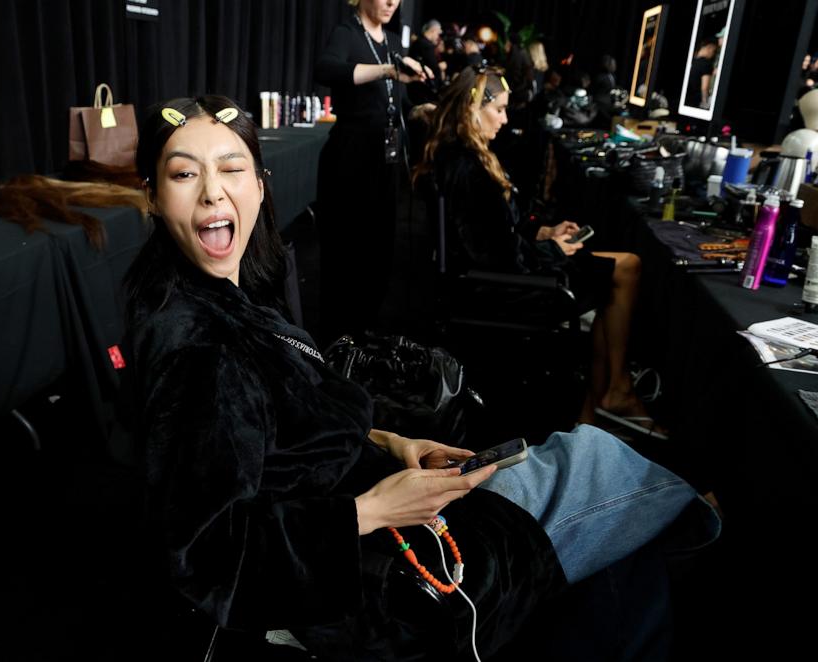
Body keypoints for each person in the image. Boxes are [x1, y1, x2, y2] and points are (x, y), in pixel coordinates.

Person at [122, 94, 720, 660]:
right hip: (369, 587)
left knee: (604, 497)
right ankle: (695, 525)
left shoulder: (231, 294)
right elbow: (207, 555)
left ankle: (679, 527)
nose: (211, 195)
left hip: (376, 501)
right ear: (151, 195)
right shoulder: (198, 347)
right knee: (598, 466)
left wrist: (391, 442)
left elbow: (286, 425)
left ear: (259, 184)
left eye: (231, 169)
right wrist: (373, 510)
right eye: (183, 175)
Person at [416, 66, 665, 437]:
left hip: (506, 270)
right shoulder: (468, 167)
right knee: (626, 269)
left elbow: (497, 229)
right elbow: (498, 254)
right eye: (498, 109)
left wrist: (544, 231)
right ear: (472, 109)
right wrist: (552, 249)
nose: (505, 118)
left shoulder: (464, 155)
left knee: (625, 267)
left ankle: (607, 398)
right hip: (503, 287)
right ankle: (608, 398)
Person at [314, 0, 430, 344]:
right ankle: (337, 337)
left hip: (384, 162)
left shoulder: (393, 42)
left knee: (379, 248)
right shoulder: (347, 33)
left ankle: (365, 330)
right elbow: (325, 70)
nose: (392, 2)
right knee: (346, 250)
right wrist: (388, 71)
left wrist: (423, 109)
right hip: (349, 159)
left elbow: (397, 101)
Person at [686, 40, 717, 110]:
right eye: (714, 51)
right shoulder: (706, 64)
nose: (713, 54)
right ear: (709, 48)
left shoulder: (692, 60)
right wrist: (705, 103)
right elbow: (704, 88)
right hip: (696, 102)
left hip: (687, 99)